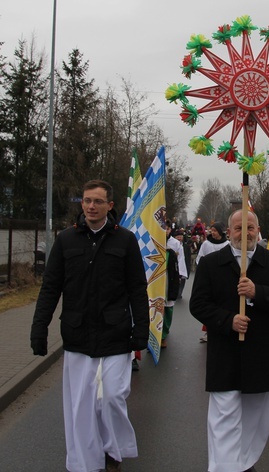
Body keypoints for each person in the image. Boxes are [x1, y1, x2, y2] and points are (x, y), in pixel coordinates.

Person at [30, 180, 149, 472]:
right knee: (80, 405)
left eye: (97, 201)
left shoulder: (126, 240)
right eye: (86, 201)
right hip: (77, 333)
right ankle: (85, 462)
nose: (91, 206)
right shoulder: (66, 240)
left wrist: (141, 331)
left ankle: (113, 448)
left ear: (110, 205)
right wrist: (39, 328)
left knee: (111, 396)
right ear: (81, 204)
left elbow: (137, 289)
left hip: (115, 333)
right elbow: (50, 288)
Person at [190, 209, 269, 472]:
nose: (245, 232)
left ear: (258, 230)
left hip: (260, 356)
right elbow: (198, 304)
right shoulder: (211, 263)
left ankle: (243, 463)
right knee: (224, 420)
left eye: (250, 227)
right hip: (224, 356)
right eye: (239, 228)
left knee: (255, 422)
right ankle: (225, 467)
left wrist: (257, 292)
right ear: (229, 232)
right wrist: (228, 321)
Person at [195, 222, 230, 343]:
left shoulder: (227, 244)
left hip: (224, 279)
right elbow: (200, 258)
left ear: (220, 232)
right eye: (211, 230)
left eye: (215, 230)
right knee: (209, 306)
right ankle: (208, 331)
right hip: (210, 278)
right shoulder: (206, 244)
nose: (212, 232)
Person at [162, 219, 188, 347]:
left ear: (169, 230)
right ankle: (154, 334)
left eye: (166, 228)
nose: (164, 230)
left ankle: (164, 334)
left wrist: (180, 275)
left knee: (167, 307)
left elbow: (180, 259)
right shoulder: (151, 241)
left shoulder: (175, 244)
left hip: (169, 278)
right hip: (156, 280)